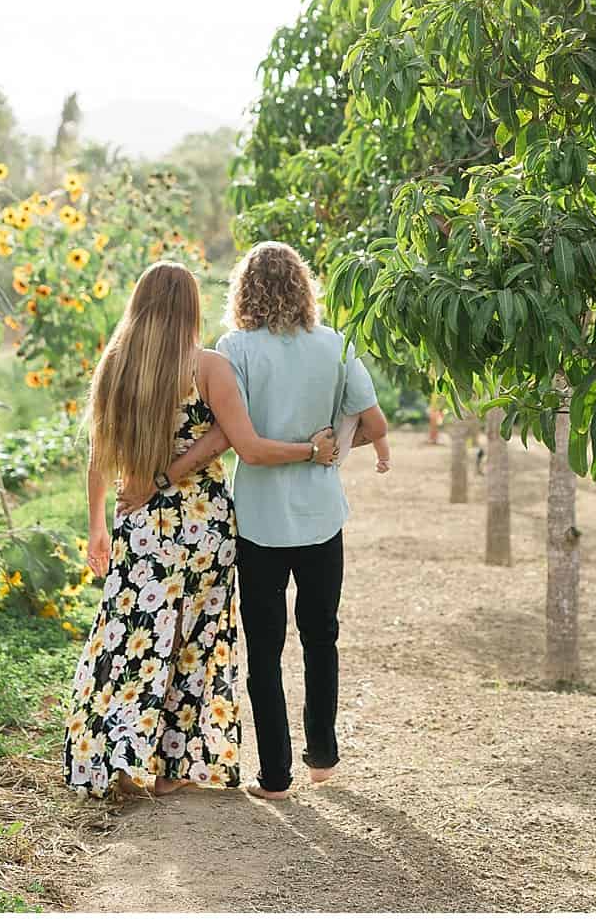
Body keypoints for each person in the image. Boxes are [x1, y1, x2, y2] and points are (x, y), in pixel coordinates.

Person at [62, 261, 336, 800]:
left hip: (137, 522)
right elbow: (242, 441)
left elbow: (99, 454)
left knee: (129, 635)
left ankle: (119, 750)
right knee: (191, 640)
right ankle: (168, 768)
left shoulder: (115, 364)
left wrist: (97, 529)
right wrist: (311, 450)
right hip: (201, 524)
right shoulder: (206, 366)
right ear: (190, 307)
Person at [217, 241, 380, 799]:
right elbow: (370, 415)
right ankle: (324, 755)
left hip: (259, 518)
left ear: (246, 290)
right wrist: (337, 448)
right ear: (304, 285)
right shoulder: (336, 345)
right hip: (320, 515)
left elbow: (235, 438)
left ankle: (276, 775)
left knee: (263, 648)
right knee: (321, 636)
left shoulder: (234, 348)